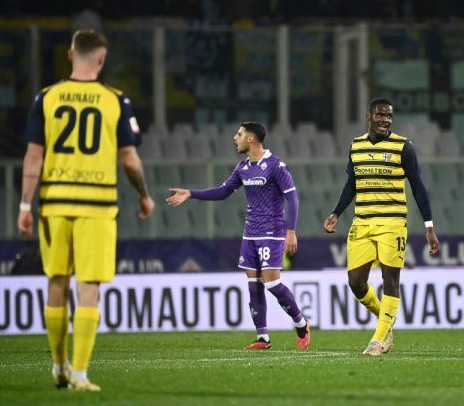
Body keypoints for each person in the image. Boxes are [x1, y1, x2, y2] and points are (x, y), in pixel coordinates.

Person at [18, 30, 155, 391]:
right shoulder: (115, 101)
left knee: (57, 281)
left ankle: (58, 365)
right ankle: (79, 373)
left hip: (54, 203)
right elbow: (129, 159)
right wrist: (144, 194)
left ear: (70, 54)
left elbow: (34, 155)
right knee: (88, 285)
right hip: (97, 205)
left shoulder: (47, 97)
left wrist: (23, 205)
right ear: (101, 59)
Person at [166, 122, 311, 351]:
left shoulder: (276, 166)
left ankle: (301, 323)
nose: (235, 138)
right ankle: (263, 337)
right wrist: (191, 194)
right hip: (250, 233)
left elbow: (293, 199)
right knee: (253, 284)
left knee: (272, 282)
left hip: (272, 232)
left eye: (240, 134)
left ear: (251, 139)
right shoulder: (243, 167)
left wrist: (290, 232)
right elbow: (223, 191)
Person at [323, 97, 440, 356]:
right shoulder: (356, 146)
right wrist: (336, 212)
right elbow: (351, 184)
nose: (385, 119)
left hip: (392, 223)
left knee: (391, 280)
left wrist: (429, 225)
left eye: (389, 116)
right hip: (362, 222)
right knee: (355, 282)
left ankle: (378, 340)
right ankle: (385, 320)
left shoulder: (403, 146)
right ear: (369, 116)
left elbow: (418, 186)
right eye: (380, 115)